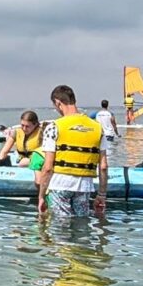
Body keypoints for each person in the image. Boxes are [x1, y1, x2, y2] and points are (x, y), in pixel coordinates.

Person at [34, 85, 109, 221]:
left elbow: (48, 167)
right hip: (84, 186)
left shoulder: (54, 127)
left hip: (60, 185)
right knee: (81, 227)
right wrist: (102, 195)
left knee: (60, 231)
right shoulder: (98, 128)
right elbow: (103, 166)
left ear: (58, 103)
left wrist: (41, 196)